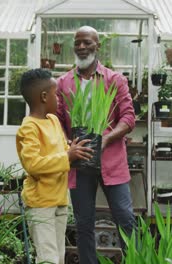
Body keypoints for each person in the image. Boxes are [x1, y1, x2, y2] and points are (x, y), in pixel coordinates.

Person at [56, 26, 137, 264]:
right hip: (80, 161)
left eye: (87, 43)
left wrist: (106, 139)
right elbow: (58, 119)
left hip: (111, 160)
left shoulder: (115, 79)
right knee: (83, 223)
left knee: (125, 218)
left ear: (97, 46)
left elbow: (129, 118)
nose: (81, 47)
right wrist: (68, 142)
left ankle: (134, 260)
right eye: (78, 43)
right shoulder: (63, 83)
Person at [16, 68, 93, 264]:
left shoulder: (53, 120)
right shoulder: (29, 127)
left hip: (59, 199)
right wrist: (68, 156)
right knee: (48, 258)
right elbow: (33, 164)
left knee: (58, 256)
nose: (59, 98)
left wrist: (75, 152)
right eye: (56, 94)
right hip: (41, 203)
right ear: (43, 97)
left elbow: (60, 150)